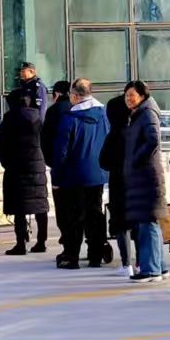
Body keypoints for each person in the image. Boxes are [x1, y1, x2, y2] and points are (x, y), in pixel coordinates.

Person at [51, 78, 111, 268]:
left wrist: (56, 176)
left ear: (75, 96)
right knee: (95, 213)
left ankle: (71, 255)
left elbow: (61, 151)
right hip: (98, 173)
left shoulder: (70, 118)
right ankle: (96, 254)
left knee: (74, 216)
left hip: (73, 175)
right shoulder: (103, 115)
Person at [121, 80, 168, 283]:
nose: (128, 99)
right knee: (148, 222)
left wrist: (136, 159)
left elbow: (153, 140)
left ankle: (151, 269)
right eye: (126, 95)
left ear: (142, 96)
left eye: (132, 95)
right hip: (142, 175)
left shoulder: (147, 114)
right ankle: (159, 266)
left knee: (148, 223)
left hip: (147, 175)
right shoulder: (138, 114)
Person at [0, 87, 49, 255]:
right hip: (37, 165)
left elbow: (1, 145)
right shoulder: (38, 117)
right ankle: (41, 241)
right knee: (40, 204)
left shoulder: (9, 118)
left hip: (16, 167)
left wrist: (6, 163)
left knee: (19, 207)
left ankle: (21, 243)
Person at [102, 91, 133, 274]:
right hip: (137, 182)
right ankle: (142, 262)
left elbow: (104, 161)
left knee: (121, 224)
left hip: (118, 183)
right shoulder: (136, 131)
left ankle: (127, 263)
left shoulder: (114, 135)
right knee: (138, 223)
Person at [42, 79, 71, 249]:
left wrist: (51, 162)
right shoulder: (82, 108)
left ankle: (67, 237)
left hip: (60, 166)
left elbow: (45, 139)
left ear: (57, 94)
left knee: (62, 205)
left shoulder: (54, 111)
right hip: (82, 166)